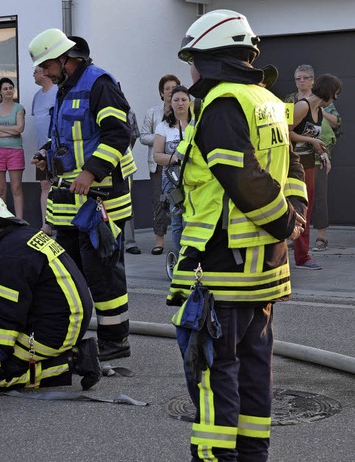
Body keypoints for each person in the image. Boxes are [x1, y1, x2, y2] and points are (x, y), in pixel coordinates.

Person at [168, 10, 307, 460]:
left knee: (213, 372)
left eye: (193, 58)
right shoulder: (263, 98)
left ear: (209, 57)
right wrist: (292, 218)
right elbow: (293, 167)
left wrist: (284, 222)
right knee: (253, 369)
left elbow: (242, 177)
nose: (190, 69)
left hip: (224, 269)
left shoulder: (223, 104)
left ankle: (216, 457)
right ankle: (251, 455)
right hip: (264, 269)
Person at [28, 29, 135, 361]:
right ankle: (71, 336)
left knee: (102, 274)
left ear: (64, 59)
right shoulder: (65, 88)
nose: (43, 73)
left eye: (47, 66)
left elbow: (119, 134)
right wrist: (47, 152)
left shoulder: (100, 85)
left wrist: (91, 172)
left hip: (100, 198)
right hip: (68, 201)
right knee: (70, 273)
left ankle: (115, 341)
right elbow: (67, 136)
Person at [0, 195, 100, 390]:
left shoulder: (10, 254)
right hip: (64, 315)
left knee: (0, 377)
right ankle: (1, 346)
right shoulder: (22, 236)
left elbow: (10, 314)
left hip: (54, 330)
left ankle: (73, 361)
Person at [285, 65, 342, 252]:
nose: (335, 98)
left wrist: (323, 153)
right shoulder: (299, 105)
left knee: (310, 204)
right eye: (335, 94)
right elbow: (286, 132)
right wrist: (311, 140)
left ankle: (307, 247)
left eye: (305, 78)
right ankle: (298, 248)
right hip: (295, 163)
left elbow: (328, 127)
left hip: (310, 162)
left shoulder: (319, 109)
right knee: (299, 205)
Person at [140, 74, 181, 256]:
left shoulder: (184, 111)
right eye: (167, 89)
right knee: (159, 202)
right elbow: (143, 136)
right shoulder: (153, 113)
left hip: (179, 164)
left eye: (174, 88)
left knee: (180, 201)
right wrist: (161, 139)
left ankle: (180, 240)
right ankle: (159, 241)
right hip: (158, 165)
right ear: (161, 93)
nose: (171, 92)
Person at [153, 85, 191, 252]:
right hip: (172, 181)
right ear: (171, 103)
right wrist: (175, 158)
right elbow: (157, 155)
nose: (180, 103)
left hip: (193, 179)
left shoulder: (196, 124)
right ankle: (178, 261)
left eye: (184, 99)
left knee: (190, 221)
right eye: (176, 100)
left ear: (190, 102)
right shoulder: (163, 127)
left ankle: (191, 260)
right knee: (177, 222)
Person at [0, 77, 26, 218]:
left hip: (15, 151)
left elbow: (19, 129)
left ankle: (19, 220)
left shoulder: (19, 108)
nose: (9, 90)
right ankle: (3, 219)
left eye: (11, 88)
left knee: (16, 188)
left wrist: (0, 128)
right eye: (5, 88)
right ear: (0, 92)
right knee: (0, 189)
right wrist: (11, 130)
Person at [31, 66, 57, 235]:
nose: (33, 74)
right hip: (41, 150)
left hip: (56, 148)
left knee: (60, 185)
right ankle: (46, 226)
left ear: (44, 72)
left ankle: (62, 224)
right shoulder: (36, 96)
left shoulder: (57, 92)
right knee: (45, 185)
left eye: (36, 71)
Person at [123, 109, 142, 255]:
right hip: (101, 165)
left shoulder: (129, 112)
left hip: (124, 166)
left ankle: (130, 242)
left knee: (127, 202)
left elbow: (134, 136)